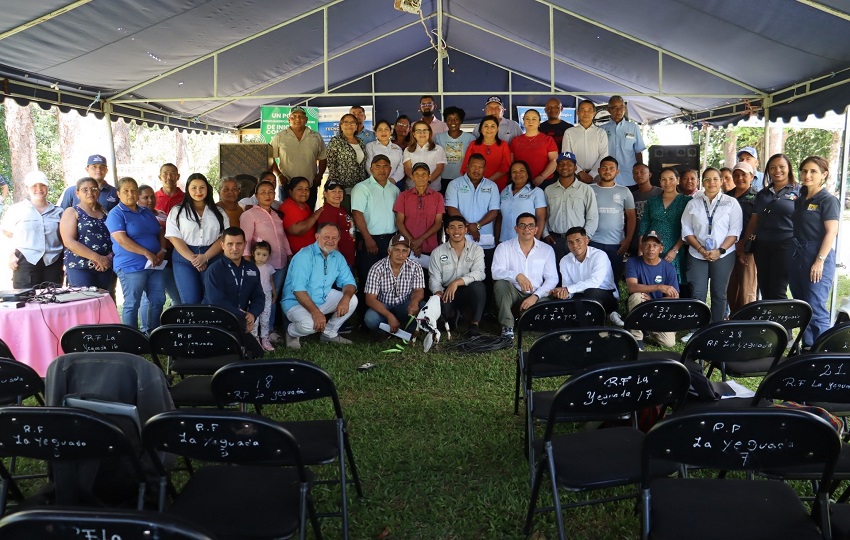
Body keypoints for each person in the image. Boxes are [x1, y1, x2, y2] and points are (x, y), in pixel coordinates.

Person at [789, 156, 840, 349]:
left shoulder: (828, 200)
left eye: (813, 171)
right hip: (798, 254)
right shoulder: (801, 199)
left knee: (815, 306)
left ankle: (823, 351)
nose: (807, 175)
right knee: (803, 306)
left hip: (817, 254)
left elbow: (832, 232)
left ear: (823, 175)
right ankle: (808, 348)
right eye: (804, 171)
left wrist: (819, 260)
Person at [281, 223, 358, 349]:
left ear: (339, 239)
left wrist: (345, 298)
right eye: (326, 237)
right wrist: (316, 313)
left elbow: (349, 282)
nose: (330, 241)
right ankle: (291, 332)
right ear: (317, 237)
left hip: (322, 298)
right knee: (310, 325)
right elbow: (298, 290)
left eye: (334, 238)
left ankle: (328, 333)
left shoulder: (337, 257)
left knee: (352, 300)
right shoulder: (305, 256)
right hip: (296, 303)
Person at [106, 177, 166, 333]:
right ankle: (132, 338)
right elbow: (122, 240)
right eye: (125, 191)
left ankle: (152, 332)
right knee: (133, 303)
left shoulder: (145, 211)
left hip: (155, 263)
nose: (130, 194)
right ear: (118, 193)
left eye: (133, 190)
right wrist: (147, 253)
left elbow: (159, 231)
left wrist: (162, 250)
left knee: (158, 299)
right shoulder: (116, 214)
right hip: (131, 266)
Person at [682, 167, 743, 322]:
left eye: (715, 179)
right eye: (707, 179)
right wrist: (701, 249)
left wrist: (720, 250)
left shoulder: (731, 203)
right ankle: (696, 327)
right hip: (697, 254)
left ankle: (716, 326)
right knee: (697, 293)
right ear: (702, 183)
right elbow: (686, 229)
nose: (711, 182)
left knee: (719, 293)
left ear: (721, 181)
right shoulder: (693, 203)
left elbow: (734, 231)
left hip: (724, 254)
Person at [740, 153, 800, 300]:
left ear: (789, 169)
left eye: (781, 167)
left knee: (778, 290)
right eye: (772, 168)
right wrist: (743, 247)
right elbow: (754, 222)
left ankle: (780, 322)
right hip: (762, 247)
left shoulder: (800, 191)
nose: (777, 170)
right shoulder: (762, 194)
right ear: (767, 171)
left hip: (786, 246)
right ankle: (768, 322)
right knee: (765, 288)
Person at [200, 226, 265, 358]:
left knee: (257, 354)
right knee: (233, 355)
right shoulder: (215, 270)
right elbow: (216, 301)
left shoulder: (251, 268)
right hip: (216, 322)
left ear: (245, 244)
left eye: (239, 244)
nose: (235, 248)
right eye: (230, 244)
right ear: (222, 245)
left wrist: (252, 314)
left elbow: (259, 295)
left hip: (240, 322)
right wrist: (243, 317)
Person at [492, 213, 558, 339]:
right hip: (513, 292)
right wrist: (516, 275)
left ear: (536, 229)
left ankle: (523, 316)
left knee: (540, 317)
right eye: (522, 225)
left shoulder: (546, 249)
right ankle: (507, 326)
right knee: (500, 284)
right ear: (516, 229)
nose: (526, 229)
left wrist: (535, 296)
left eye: (530, 226)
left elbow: (553, 278)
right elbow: (496, 272)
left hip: (537, 294)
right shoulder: (504, 247)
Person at [165, 173, 228, 305]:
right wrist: (194, 259)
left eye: (202, 187)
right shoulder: (177, 211)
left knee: (212, 299)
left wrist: (205, 257)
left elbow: (223, 237)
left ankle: (207, 325)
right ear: (187, 189)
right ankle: (193, 326)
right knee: (190, 300)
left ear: (208, 189)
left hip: (212, 256)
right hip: (184, 258)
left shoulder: (219, 212)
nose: (198, 191)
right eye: (194, 188)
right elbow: (173, 237)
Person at [241, 179, 292, 333]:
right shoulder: (249, 214)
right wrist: (248, 263)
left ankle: (271, 329)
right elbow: (246, 240)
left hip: (280, 263)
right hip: (261, 265)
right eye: (263, 192)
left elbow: (283, 237)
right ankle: (260, 331)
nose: (267, 195)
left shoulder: (276, 215)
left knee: (275, 297)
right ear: (256, 195)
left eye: (270, 192)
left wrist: (289, 254)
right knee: (262, 298)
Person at [2, 171, 64, 288]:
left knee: (53, 300)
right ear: (27, 188)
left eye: (42, 185)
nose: (38, 189)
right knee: (26, 301)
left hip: (53, 262)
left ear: (47, 187)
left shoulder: (59, 212)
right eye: (34, 186)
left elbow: (65, 238)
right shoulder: (17, 210)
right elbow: (6, 234)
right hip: (25, 262)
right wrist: (10, 255)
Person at [352, 155, 400, 305]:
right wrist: (367, 238)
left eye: (385, 166)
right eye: (377, 166)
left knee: (387, 279)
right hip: (369, 241)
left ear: (390, 169)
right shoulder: (362, 187)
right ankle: (365, 319)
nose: (382, 169)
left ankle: (384, 315)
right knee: (367, 279)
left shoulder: (395, 189)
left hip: (390, 241)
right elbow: (357, 214)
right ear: (371, 168)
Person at [428, 216, 487, 333]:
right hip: (447, 292)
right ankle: (455, 315)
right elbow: (434, 278)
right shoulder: (437, 252)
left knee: (479, 287)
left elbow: (480, 273)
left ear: (466, 230)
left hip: (467, 290)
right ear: (447, 230)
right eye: (452, 228)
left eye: (460, 227)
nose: (456, 231)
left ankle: (474, 324)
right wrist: (438, 294)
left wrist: (457, 282)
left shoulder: (476, 249)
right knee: (445, 320)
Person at [624, 231, 680, 349]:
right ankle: (637, 337)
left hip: (658, 310)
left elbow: (674, 298)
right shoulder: (633, 262)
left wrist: (653, 303)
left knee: (669, 343)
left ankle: (647, 329)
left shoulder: (669, 268)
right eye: (647, 245)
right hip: (641, 303)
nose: (651, 249)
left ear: (661, 249)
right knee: (637, 296)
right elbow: (632, 287)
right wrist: (659, 287)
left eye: (655, 245)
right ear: (641, 247)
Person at [551, 226, 620, 317]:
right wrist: (564, 294)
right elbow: (567, 285)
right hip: (579, 294)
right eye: (570, 242)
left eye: (578, 240)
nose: (574, 245)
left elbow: (594, 282)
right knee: (558, 298)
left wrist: (568, 289)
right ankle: (578, 318)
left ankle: (602, 318)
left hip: (604, 295)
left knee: (591, 292)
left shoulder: (599, 256)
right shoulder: (564, 260)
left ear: (587, 240)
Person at [363, 233, 425, 335]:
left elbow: (418, 290)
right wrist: (389, 316)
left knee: (422, 306)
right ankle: (385, 333)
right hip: (384, 307)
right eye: (397, 250)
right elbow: (370, 299)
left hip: (405, 306)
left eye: (404, 251)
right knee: (371, 318)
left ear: (408, 253)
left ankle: (407, 330)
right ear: (389, 251)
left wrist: (414, 301)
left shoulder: (415, 266)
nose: (400, 255)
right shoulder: (377, 268)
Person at [639, 167, 691, 288]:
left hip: (674, 249)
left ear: (678, 180)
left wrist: (675, 250)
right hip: (651, 248)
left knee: (673, 286)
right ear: (660, 181)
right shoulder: (652, 201)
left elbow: (687, 228)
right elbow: (644, 224)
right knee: (652, 283)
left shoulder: (686, 201)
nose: (667, 183)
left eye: (671, 179)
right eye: (664, 179)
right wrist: (641, 248)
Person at [543, 152, 598, 264]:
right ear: (557, 168)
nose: (565, 167)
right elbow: (544, 215)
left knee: (577, 274)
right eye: (561, 164)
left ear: (575, 168)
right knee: (556, 274)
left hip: (578, 241)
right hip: (555, 239)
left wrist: (585, 237)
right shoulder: (549, 190)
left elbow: (592, 216)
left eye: (569, 164)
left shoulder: (586, 189)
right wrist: (545, 234)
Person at [590, 156, 635, 289]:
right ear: (598, 170)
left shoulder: (624, 191)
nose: (607, 171)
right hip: (593, 242)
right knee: (593, 279)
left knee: (613, 280)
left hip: (616, 244)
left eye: (611, 168)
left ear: (617, 172)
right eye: (604, 168)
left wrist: (628, 240)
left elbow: (631, 217)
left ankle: (612, 307)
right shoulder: (589, 189)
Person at [59, 177, 113, 290]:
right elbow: (69, 242)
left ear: (98, 191)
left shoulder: (105, 213)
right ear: (77, 193)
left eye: (94, 189)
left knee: (106, 302)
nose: (90, 192)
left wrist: (107, 258)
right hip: (80, 268)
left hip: (105, 266)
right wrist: (97, 258)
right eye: (85, 190)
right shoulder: (72, 212)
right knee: (86, 302)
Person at [445, 153, 501, 258]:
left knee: (485, 272)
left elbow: (494, 211)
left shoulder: (492, 186)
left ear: (484, 169)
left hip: (485, 241)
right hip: (461, 239)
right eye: (473, 166)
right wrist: (468, 226)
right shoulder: (454, 184)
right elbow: (452, 209)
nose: (477, 170)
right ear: (467, 167)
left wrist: (477, 225)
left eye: (480, 167)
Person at [269, 106, 327, 205]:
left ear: (306, 119)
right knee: (286, 215)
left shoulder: (316, 137)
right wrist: (279, 175)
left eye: (301, 116)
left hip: (309, 185)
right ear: (288, 120)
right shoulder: (279, 137)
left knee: (309, 215)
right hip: (287, 184)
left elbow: (323, 158)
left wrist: (319, 176)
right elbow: (270, 159)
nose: (297, 119)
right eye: (294, 116)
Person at [393, 162, 445, 266]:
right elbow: (399, 222)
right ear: (412, 177)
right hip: (408, 248)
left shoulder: (438, 197)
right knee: (407, 281)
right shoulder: (403, 196)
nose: (420, 177)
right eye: (417, 174)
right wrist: (412, 242)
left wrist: (420, 240)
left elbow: (438, 223)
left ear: (429, 177)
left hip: (430, 248)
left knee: (429, 280)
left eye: (424, 174)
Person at [725, 162, 759, 313]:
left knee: (747, 289)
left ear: (752, 176)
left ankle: (747, 323)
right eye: (736, 175)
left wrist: (744, 246)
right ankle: (733, 320)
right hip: (728, 248)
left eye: (744, 174)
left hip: (748, 249)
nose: (740, 178)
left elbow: (757, 225)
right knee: (731, 288)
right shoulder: (726, 197)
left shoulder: (758, 197)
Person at [600, 96, 646, 187]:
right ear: (609, 110)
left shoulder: (633, 128)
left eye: (621, 107)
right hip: (608, 177)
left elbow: (638, 152)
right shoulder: (602, 129)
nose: (619, 110)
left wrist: (640, 173)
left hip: (629, 178)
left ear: (625, 109)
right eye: (615, 107)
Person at [326, 113, 368, 209]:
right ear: (341, 126)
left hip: (359, 186)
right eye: (346, 122)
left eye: (352, 122)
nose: (349, 125)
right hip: (342, 188)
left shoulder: (360, 141)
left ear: (356, 126)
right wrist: (337, 188)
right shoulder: (335, 141)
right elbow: (331, 164)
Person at [497, 161, 546, 243]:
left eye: (522, 171)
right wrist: (497, 239)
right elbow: (500, 218)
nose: (518, 174)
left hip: (526, 241)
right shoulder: (504, 192)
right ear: (510, 176)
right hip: (505, 241)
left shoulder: (536, 192)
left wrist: (535, 241)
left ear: (527, 174)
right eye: (514, 171)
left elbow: (541, 218)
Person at [562, 99, 608, 184]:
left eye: (589, 110)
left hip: (596, 175)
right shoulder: (569, 132)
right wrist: (580, 172)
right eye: (582, 110)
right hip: (575, 175)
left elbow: (604, 155)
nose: (586, 113)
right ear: (578, 113)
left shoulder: (601, 132)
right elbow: (567, 155)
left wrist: (592, 174)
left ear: (594, 113)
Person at [509, 109, 558, 189]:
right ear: (523, 121)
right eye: (527, 118)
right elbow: (511, 163)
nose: (530, 121)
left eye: (534, 119)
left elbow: (553, 162)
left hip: (544, 182)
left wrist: (541, 177)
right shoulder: (515, 141)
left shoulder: (548, 140)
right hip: (521, 182)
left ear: (539, 122)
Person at [461, 115, 511, 191]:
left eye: (493, 126)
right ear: (480, 129)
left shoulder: (503, 145)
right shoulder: (473, 144)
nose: (489, 129)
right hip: (475, 185)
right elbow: (466, 166)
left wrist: (487, 182)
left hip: (498, 186)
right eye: (486, 126)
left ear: (497, 129)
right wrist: (477, 183)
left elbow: (505, 167)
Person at [434, 106, 475, 194]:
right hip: (442, 178)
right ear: (446, 121)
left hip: (463, 178)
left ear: (461, 120)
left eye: (456, 119)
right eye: (449, 119)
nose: (453, 122)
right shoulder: (438, 137)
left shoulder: (470, 138)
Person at [317, 181, 356, 267]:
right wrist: (337, 261)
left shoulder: (341, 208)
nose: (337, 194)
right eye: (333, 191)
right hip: (338, 261)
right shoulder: (327, 212)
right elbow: (329, 240)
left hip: (348, 257)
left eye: (340, 191)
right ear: (325, 193)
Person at [281, 177, 322, 256]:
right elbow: (297, 230)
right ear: (290, 191)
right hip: (300, 255)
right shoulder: (288, 206)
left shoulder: (304, 205)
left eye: (307, 189)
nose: (304, 192)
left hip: (310, 252)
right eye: (300, 189)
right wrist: (315, 216)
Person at [402, 121, 446, 192]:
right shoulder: (408, 150)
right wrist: (418, 183)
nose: (422, 133)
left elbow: (439, 169)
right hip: (412, 188)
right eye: (418, 131)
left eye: (425, 130)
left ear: (429, 132)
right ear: (414, 134)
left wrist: (427, 182)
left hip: (433, 189)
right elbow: (408, 168)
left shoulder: (438, 149)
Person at [630, 163, 662, 256]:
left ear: (650, 175)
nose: (638, 175)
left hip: (656, 242)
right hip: (636, 241)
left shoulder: (660, 193)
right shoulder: (631, 195)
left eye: (642, 172)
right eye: (635, 173)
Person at [250, 240, 276, 351]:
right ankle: (254, 339)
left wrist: (274, 292)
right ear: (253, 253)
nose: (261, 257)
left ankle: (265, 339)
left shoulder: (269, 268)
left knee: (265, 318)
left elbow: (271, 281)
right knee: (254, 318)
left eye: (264, 255)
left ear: (268, 256)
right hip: (254, 296)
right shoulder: (250, 267)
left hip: (267, 295)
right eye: (258, 254)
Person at [366, 119, 405, 186]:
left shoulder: (397, 148)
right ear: (375, 133)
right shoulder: (370, 146)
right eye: (380, 130)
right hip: (376, 183)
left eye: (386, 129)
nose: (383, 132)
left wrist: (393, 179)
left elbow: (401, 167)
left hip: (395, 183)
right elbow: (369, 166)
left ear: (391, 132)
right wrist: (380, 180)